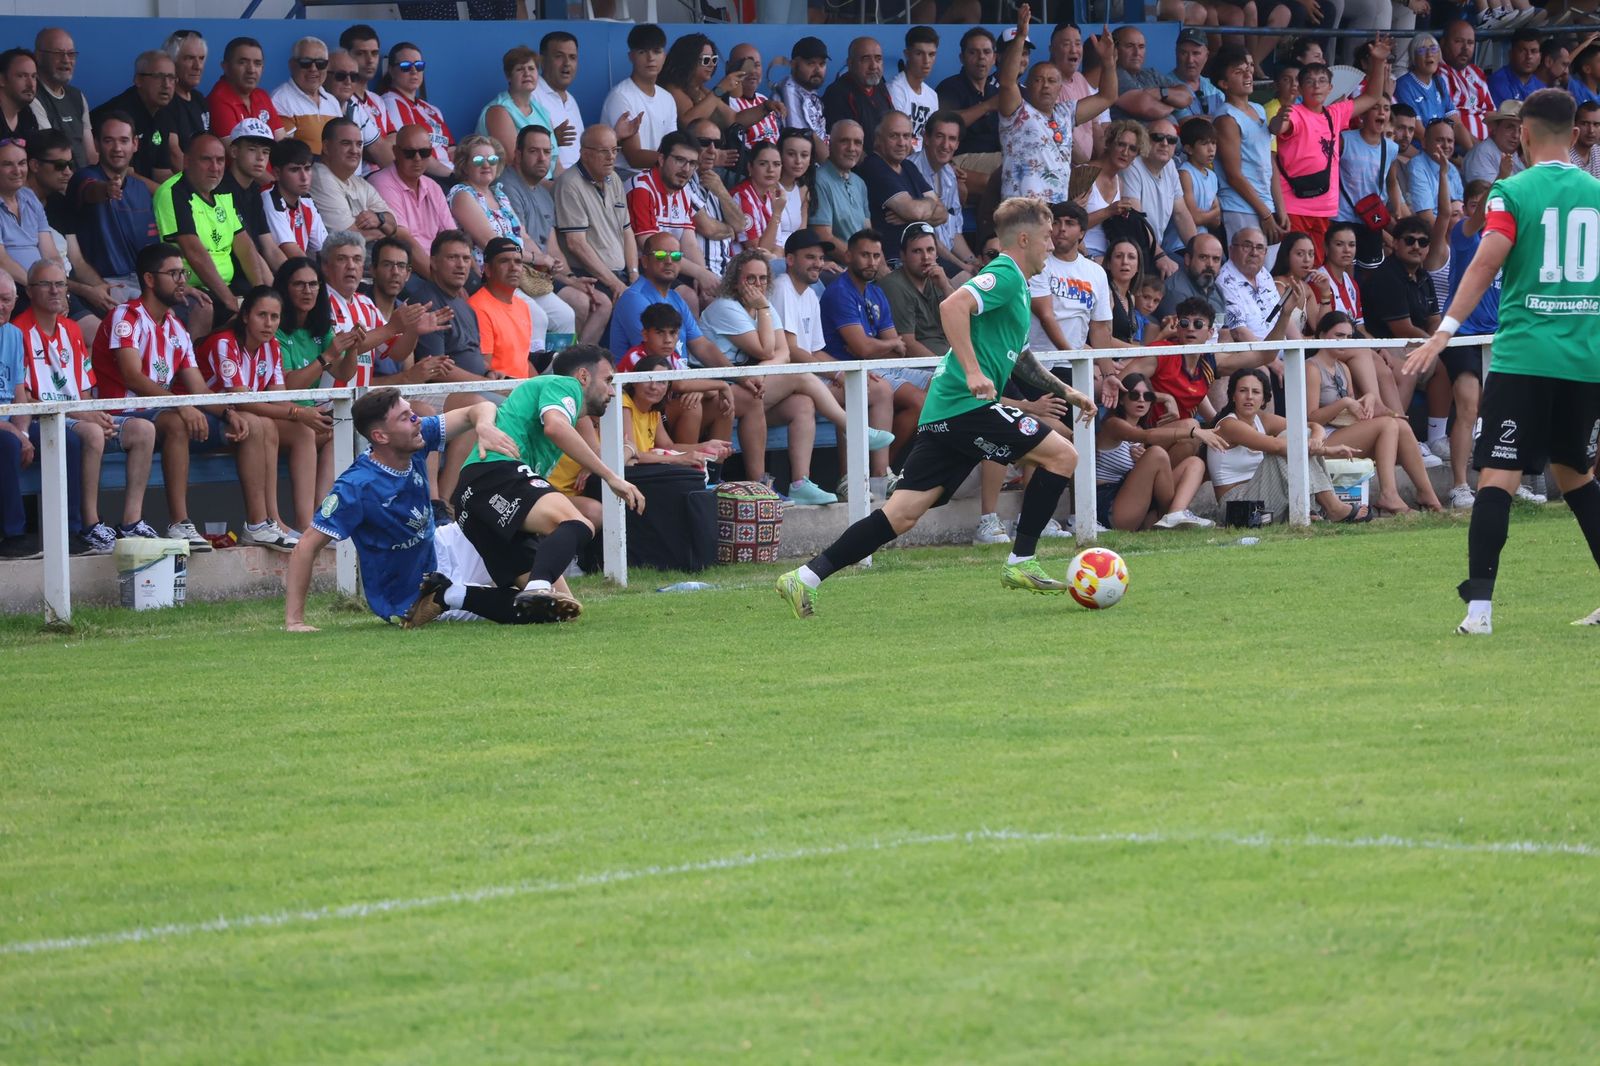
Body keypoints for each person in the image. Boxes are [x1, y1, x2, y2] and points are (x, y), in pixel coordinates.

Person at [775, 197, 1099, 619]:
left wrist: (1067, 391)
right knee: (1063, 455)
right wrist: (972, 371)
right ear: (1023, 239)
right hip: (966, 406)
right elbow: (952, 306)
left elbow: (1020, 358)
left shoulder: (1017, 286)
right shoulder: (1004, 273)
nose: (1051, 246)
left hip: (946, 411)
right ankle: (1022, 560)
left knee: (902, 515)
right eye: (1046, 238)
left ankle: (804, 577)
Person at [1405, 90, 1600, 633]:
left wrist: (1443, 332)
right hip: (1587, 362)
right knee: (1576, 476)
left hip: (1526, 357)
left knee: (1497, 475)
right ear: (1575, 134)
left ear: (1526, 135)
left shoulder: (1511, 191)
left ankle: (1480, 610)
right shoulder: (1597, 194)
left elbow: (1485, 263)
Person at [283, 387, 528, 631]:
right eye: (404, 417)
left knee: (509, 522)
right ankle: (457, 596)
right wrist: (295, 621)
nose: (416, 420)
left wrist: (483, 426)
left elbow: (479, 409)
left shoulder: (416, 435)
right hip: (409, 595)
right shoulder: (356, 487)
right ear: (380, 437)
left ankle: (541, 587)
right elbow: (305, 547)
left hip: (440, 546)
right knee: (528, 609)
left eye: (411, 412)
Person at [92, 242, 272, 551]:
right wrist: (180, 403)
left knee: (251, 423)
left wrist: (228, 414)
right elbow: (133, 376)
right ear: (150, 279)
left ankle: (258, 525)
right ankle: (179, 523)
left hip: (163, 412)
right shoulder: (126, 316)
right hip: (122, 415)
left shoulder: (176, 326)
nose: (182, 281)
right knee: (177, 422)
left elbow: (199, 389)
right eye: (174, 274)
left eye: (183, 273)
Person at [451, 346, 646, 623]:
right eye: (608, 380)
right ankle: (538, 586)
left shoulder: (555, 404)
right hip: (495, 472)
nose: (612, 392)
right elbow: (555, 427)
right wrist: (612, 477)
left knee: (560, 609)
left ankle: (449, 595)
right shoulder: (564, 384)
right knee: (578, 523)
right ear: (583, 377)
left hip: (471, 495)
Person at [15, 259, 158, 553]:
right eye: (46, 284)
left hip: (77, 417)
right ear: (29, 291)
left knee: (143, 430)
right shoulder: (18, 332)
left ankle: (131, 523)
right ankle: (90, 525)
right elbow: (25, 399)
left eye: (60, 284)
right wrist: (83, 415)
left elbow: (84, 391)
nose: (55, 291)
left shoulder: (72, 329)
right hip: (42, 421)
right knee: (92, 432)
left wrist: (95, 414)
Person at [195, 284, 321, 543]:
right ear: (245, 316)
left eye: (274, 317)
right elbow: (241, 401)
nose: (269, 323)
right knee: (263, 423)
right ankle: (261, 523)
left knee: (302, 431)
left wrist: (307, 414)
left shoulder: (272, 346)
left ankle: (300, 523)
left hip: (240, 418)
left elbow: (278, 398)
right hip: (206, 416)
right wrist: (297, 412)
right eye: (262, 315)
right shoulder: (224, 342)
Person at [1303, 312, 1443, 516]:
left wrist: (1366, 401)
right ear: (1322, 335)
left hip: (1343, 430)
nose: (1344, 341)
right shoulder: (1312, 367)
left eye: (1348, 337)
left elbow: (1350, 411)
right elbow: (1310, 418)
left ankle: (1428, 495)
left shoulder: (1343, 367)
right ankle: (1389, 495)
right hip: (1321, 438)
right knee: (1388, 424)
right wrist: (1345, 402)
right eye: (1339, 335)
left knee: (1401, 425)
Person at [1269, 41, 1392, 260]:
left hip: (1325, 208)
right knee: (1294, 266)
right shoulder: (1295, 112)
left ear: (1330, 89)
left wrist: (1378, 61)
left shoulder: (1335, 113)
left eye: (1322, 81)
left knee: (1315, 266)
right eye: (1310, 81)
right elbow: (1277, 128)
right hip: (1294, 206)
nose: (1316, 86)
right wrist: (1279, 119)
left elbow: (1372, 96)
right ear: (1300, 88)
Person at [1207, 367, 1366, 524]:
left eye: (1255, 392)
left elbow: (1311, 426)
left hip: (1264, 496)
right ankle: (1332, 507)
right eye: (1243, 391)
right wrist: (1326, 450)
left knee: (1299, 436)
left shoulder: (1261, 419)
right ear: (1233, 396)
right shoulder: (1229, 424)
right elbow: (1277, 446)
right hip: (1235, 506)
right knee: (1284, 446)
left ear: (1263, 400)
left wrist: (1316, 441)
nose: (1249, 397)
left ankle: (1313, 509)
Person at [998, 12, 1115, 206]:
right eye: (1038, 80)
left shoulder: (1065, 113)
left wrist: (1108, 63)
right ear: (1027, 85)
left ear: (1060, 88)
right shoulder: (1016, 111)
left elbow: (1107, 97)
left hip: (1056, 212)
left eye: (1052, 81)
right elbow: (1007, 82)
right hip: (1021, 209)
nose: (1045, 85)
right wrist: (1020, 37)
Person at [152, 132, 265, 320]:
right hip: (189, 288)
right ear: (187, 162)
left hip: (225, 285)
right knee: (230, 314)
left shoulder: (223, 190)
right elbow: (194, 252)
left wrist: (260, 292)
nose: (215, 167)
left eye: (220, 160)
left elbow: (244, 245)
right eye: (206, 160)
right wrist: (230, 301)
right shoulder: (173, 192)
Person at [1095, 371, 1223, 530]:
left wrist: (1141, 464)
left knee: (1195, 463)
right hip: (1109, 506)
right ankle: (1169, 515)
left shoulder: (1141, 427)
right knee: (1156, 453)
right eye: (1134, 395)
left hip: (1137, 502)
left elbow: (1145, 435)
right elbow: (1146, 436)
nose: (1141, 400)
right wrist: (1193, 432)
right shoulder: (1113, 424)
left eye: (1148, 396)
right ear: (1121, 399)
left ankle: (1175, 513)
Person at [627, 130, 730, 304]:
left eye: (692, 163)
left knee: (715, 296)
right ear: (661, 159)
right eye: (680, 160)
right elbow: (651, 248)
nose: (686, 169)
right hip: (644, 266)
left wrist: (701, 275)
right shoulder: (642, 188)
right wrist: (699, 273)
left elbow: (689, 243)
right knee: (688, 297)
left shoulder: (683, 191)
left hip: (671, 265)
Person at [68, 113, 157, 303]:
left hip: (145, 279)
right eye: (109, 141)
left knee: (200, 305)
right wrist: (107, 190)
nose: (117, 148)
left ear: (135, 144)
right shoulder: (83, 177)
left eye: (124, 140)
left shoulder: (141, 189)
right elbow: (91, 190)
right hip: (106, 282)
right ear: (97, 144)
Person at [878, 224, 950, 454]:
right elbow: (907, 344)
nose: (925, 257)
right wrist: (946, 367)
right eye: (917, 251)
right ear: (903, 255)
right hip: (913, 364)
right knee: (956, 390)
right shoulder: (895, 285)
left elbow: (964, 322)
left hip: (944, 360)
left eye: (930, 250)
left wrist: (945, 285)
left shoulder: (936, 280)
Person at [553, 125, 638, 304]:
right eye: (603, 151)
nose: (611, 156)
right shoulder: (569, 184)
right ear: (585, 154)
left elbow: (627, 231)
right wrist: (615, 284)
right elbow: (576, 244)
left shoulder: (614, 178)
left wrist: (634, 273)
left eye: (614, 150)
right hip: (593, 275)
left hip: (622, 274)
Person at [1213, 46, 1284, 249]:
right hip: (1240, 208)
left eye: (1248, 69)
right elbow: (1234, 176)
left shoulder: (1259, 109)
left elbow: (1270, 162)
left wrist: (1280, 208)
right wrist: (1265, 214)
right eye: (1238, 72)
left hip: (1265, 206)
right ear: (1224, 84)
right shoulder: (1226, 118)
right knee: (1246, 264)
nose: (1248, 75)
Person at [856, 113, 944, 266]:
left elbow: (943, 214)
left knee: (966, 277)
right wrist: (929, 204)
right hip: (896, 261)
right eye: (894, 136)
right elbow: (914, 211)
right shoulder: (874, 166)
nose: (901, 143)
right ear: (878, 139)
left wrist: (911, 217)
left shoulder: (908, 166)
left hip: (925, 258)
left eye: (906, 136)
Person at [368, 124, 451, 279]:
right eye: (409, 153)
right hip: (406, 269)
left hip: (440, 269)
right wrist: (441, 282)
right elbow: (403, 240)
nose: (417, 159)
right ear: (395, 152)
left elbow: (453, 237)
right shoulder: (382, 182)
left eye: (424, 152)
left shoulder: (433, 186)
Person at [90, 52, 179, 192]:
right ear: (138, 80)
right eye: (158, 76)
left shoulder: (163, 112)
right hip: (112, 192)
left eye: (171, 77)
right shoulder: (120, 116)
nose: (167, 84)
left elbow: (161, 172)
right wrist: (168, 196)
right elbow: (125, 174)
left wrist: (184, 193)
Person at [1121, 117, 1198, 275]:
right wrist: (1159, 255)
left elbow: (1181, 214)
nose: (1165, 143)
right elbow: (1136, 221)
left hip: (1154, 249)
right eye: (1157, 137)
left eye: (1171, 140)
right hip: (1133, 251)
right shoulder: (1132, 167)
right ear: (1144, 140)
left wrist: (1198, 252)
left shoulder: (1170, 166)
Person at [1336, 98, 1406, 270]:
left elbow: (1391, 181)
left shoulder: (1391, 148)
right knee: (1345, 270)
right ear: (1363, 114)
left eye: (1386, 108)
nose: (1382, 112)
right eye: (1376, 107)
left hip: (1371, 218)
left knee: (1371, 271)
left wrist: (1397, 208)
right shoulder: (1345, 140)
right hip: (1343, 217)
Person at [602, 24, 676, 181]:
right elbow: (634, 157)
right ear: (631, 56)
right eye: (643, 52)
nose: (651, 58)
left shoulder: (667, 98)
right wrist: (680, 159)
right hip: (626, 175)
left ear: (664, 56)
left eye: (656, 51)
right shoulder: (620, 96)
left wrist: (681, 159)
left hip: (660, 172)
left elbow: (672, 145)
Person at [310, 117, 400, 243]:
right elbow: (347, 236)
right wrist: (382, 231)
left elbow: (393, 225)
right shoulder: (320, 177)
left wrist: (379, 218)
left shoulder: (358, 182)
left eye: (359, 144)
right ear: (326, 147)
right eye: (346, 143)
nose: (354, 150)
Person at [477, 46, 555, 183]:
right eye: (520, 69)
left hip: (546, 184)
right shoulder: (498, 111)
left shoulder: (542, 111)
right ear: (509, 76)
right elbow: (516, 165)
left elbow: (556, 162)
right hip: (517, 186)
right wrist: (556, 189)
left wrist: (565, 185)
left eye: (531, 68)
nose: (527, 73)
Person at [377, 42, 454, 180]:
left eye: (419, 66)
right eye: (405, 66)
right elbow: (413, 153)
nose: (414, 71)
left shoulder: (432, 109)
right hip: (430, 177)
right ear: (391, 70)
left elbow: (452, 150)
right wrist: (454, 176)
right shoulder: (391, 102)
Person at [937, 27, 1002, 181]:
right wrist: (986, 106)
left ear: (994, 58)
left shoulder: (995, 91)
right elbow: (945, 124)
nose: (981, 57)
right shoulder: (950, 87)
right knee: (1016, 163)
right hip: (959, 159)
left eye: (987, 52)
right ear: (962, 58)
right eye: (973, 52)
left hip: (994, 156)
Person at [216, 119, 278, 278]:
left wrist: (295, 277)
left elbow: (269, 247)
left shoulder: (255, 190)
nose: (260, 158)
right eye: (252, 149)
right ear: (234, 151)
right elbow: (247, 249)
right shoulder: (220, 190)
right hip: (233, 278)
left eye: (265, 152)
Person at [468, 237, 533, 379]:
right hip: (498, 388)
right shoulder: (478, 307)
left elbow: (523, 361)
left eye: (518, 262)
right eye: (504, 261)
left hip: (521, 387)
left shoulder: (523, 306)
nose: (513, 267)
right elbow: (484, 368)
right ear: (487, 269)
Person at [27, 29, 93, 170]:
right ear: (38, 56)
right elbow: (53, 156)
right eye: (58, 53)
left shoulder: (77, 96)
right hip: (59, 178)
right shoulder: (32, 96)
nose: (66, 60)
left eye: (71, 54)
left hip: (84, 179)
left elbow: (91, 155)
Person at [1082, 119, 1147, 260]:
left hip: (1110, 254)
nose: (1125, 152)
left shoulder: (1119, 183)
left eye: (1132, 149)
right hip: (1083, 252)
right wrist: (1108, 211)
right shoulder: (1085, 173)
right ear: (1109, 143)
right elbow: (1071, 223)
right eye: (1121, 144)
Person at [335, 26, 397, 172]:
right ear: (345, 56)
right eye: (361, 54)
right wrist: (374, 147)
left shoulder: (377, 100)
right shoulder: (339, 99)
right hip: (362, 175)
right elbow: (367, 149)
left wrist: (378, 145)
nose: (370, 60)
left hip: (386, 171)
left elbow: (394, 139)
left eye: (374, 53)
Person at [1395, 35, 1473, 150]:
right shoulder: (1404, 85)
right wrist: (1448, 156)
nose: (1429, 54)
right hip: (1421, 150)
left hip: (1444, 147)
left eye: (1433, 49)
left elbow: (1456, 124)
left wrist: (1473, 152)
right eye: (1422, 50)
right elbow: (1418, 131)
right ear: (1413, 58)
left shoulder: (1439, 81)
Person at [262, 136, 328, 263]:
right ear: (277, 173)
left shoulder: (306, 200)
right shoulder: (269, 198)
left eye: (307, 168)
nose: (304, 177)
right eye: (295, 170)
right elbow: (292, 252)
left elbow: (325, 249)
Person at [270, 36, 340, 157]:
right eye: (305, 63)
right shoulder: (280, 99)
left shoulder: (332, 101)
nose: (313, 69)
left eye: (320, 64)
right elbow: (286, 155)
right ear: (292, 65)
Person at [0, 137, 53, 292]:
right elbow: (2, 261)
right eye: (7, 164)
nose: (17, 171)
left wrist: (57, 285)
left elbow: (51, 254)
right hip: (12, 288)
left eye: (22, 163)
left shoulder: (29, 197)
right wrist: (38, 288)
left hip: (43, 286)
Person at [811, 120, 868, 265]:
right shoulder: (819, 180)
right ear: (830, 144)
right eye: (844, 141)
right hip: (836, 268)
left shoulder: (860, 183)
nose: (851, 148)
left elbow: (868, 234)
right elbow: (824, 237)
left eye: (857, 143)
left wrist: (878, 266)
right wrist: (862, 263)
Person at [1109, 25, 1192, 123]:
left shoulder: (1150, 74)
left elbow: (1187, 96)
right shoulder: (1113, 75)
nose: (1137, 53)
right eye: (1129, 46)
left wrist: (1161, 93)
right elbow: (1151, 109)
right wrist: (1171, 103)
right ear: (1115, 49)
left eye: (1141, 47)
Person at [207, 37, 283, 144]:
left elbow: (282, 141)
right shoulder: (218, 99)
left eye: (257, 63)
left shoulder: (262, 95)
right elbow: (235, 150)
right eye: (242, 62)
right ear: (226, 67)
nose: (251, 70)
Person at [823, 38, 893, 148]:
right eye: (866, 59)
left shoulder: (879, 85)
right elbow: (847, 147)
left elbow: (893, 124)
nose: (874, 66)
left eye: (878, 59)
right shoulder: (837, 93)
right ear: (850, 63)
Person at [533, 31, 583, 171]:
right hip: (550, 179)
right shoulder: (532, 95)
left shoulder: (571, 100)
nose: (567, 63)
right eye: (559, 56)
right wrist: (552, 140)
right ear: (542, 61)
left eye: (572, 57)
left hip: (579, 176)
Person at [1157, 232, 1227, 331]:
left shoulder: (1217, 290)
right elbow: (1183, 334)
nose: (1210, 264)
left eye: (1216, 259)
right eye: (1203, 257)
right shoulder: (1175, 290)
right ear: (1187, 259)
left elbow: (1224, 330)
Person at [723, 43, 785, 151]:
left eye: (756, 65)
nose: (752, 71)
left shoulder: (764, 99)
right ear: (728, 67)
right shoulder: (724, 102)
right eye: (745, 65)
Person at [1440, 20, 1492, 146]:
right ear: (1443, 43)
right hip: (1460, 147)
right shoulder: (1438, 74)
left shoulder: (1476, 73)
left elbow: (1490, 112)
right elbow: (1450, 121)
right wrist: (1480, 150)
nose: (1465, 48)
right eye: (1458, 41)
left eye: (1470, 43)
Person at [162, 30, 209, 169]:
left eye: (201, 58)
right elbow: (174, 155)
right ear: (172, 62)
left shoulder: (199, 99)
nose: (198, 66)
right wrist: (201, 180)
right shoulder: (165, 101)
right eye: (189, 58)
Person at [889, 27, 941, 150]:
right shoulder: (895, 90)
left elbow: (933, 137)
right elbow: (896, 140)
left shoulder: (932, 95)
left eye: (931, 54)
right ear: (907, 54)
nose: (926, 61)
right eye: (919, 54)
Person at [776, 37, 830, 153]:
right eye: (811, 63)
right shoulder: (789, 92)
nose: (818, 70)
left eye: (822, 64)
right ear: (793, 65)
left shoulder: (809, 91)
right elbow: (801, 142)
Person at [1406, 120, 1465, 227]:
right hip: (1433, 232)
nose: (1446, 145)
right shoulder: (1417, 167)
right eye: (1439, 140)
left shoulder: (1452, 168)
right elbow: (1426, 218)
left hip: (1454, 228)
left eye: (1450, 141)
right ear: (1424, 143)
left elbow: (1462, 208)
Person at [1175, 119, 1220, 257]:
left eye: (1213, 143)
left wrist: (1208, 215)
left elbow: (1217, 222)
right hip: (1180, 244)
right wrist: (1216, 211)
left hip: (1204, 243)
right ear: (1188, 149)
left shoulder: (1212, 176)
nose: (1211, 149)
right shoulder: (1185, 174)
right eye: (1204, 143)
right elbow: (1194, 218)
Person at [1463, 101, 1526, 186]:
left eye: (1520, 130)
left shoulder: (1514, 154)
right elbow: (1486, 194)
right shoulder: (1481, 154)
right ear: (1494, 128)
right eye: (1510, 127)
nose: (1516, 135)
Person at [1488, 29, 1545, 105]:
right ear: (1511, 54)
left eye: (1533, 51)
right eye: (1522, 51)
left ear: (1540, 57)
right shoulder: (1497, 83)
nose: (1529, 56)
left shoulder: (1541, 88)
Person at [0, 49, 39, 145]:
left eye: (33, 76)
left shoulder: (27, 116)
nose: (31, 84)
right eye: (22, 76)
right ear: (2, 80)